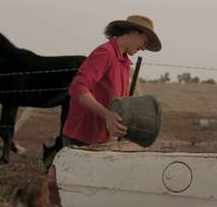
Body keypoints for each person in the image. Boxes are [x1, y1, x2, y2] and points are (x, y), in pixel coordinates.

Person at [62, 15, 162, 147]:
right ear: (133, 32)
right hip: (81, 138)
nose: (144, 48)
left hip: (101, 139)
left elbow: (116, 103)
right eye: (145, 42)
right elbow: (78, 87)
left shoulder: (124, 63)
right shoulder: (105, 53)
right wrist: (107, 115)